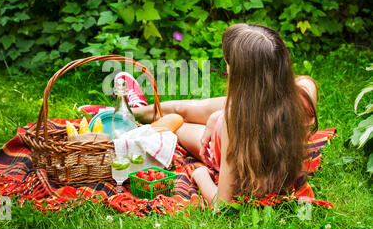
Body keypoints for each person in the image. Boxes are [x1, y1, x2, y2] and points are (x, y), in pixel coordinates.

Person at [112, 23, 319, 206]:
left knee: (177, 123)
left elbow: (221, 204)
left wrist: (201, 175)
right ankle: (136, 109)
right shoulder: (305, 92)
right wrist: (220, 114)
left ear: (241, 76)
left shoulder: (233, 123)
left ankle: (127, 114)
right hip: (245, 111)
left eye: (229, 64)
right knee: (186, 110)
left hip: (228, 141)